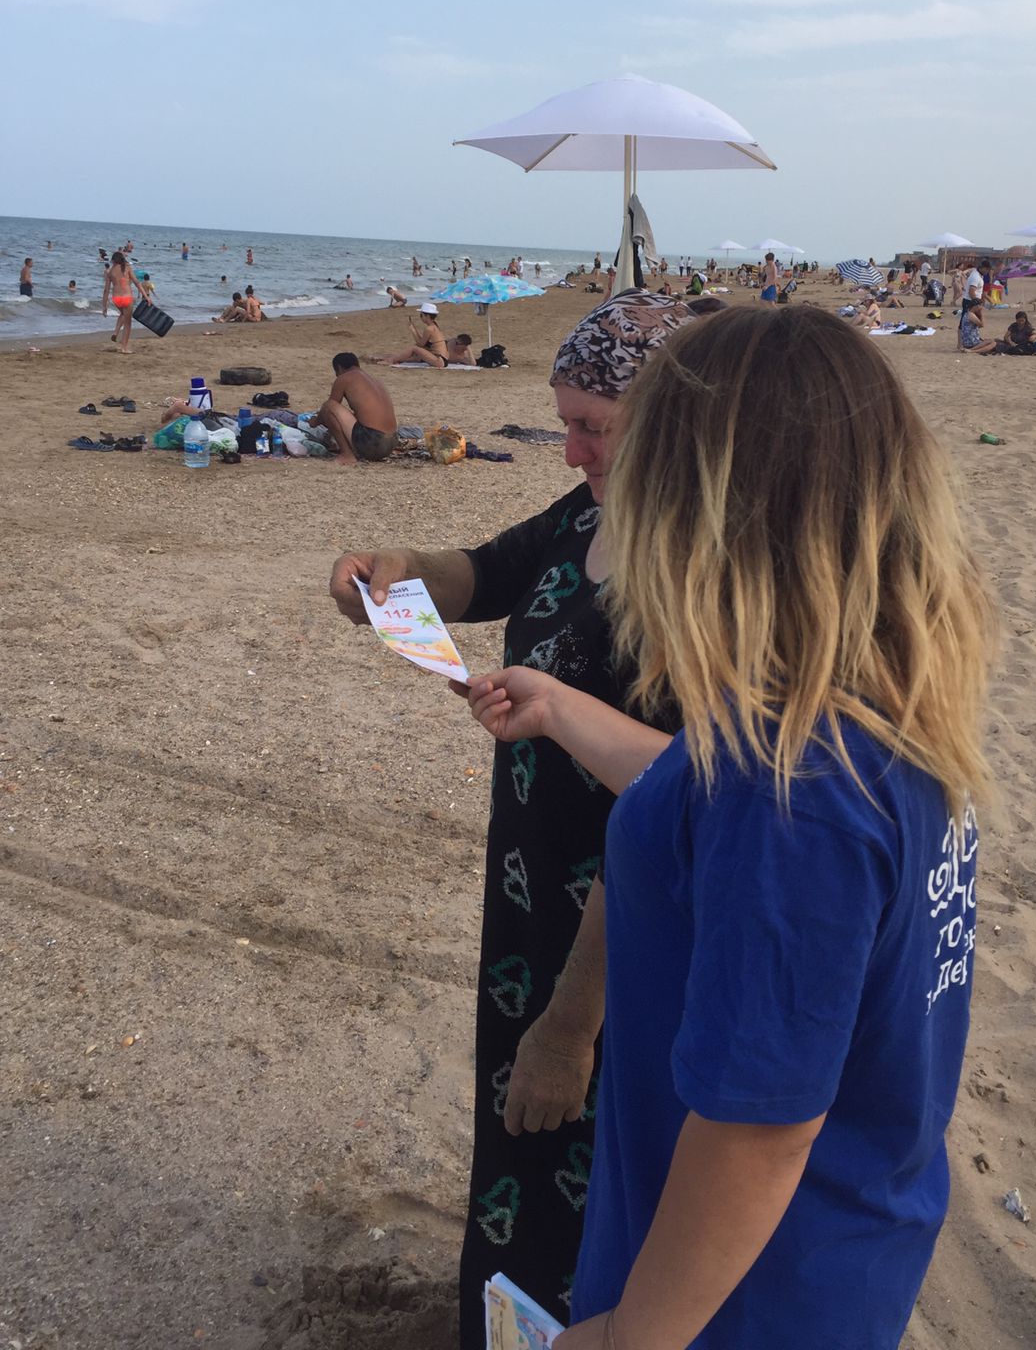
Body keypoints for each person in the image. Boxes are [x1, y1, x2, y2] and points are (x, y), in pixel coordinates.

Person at [459, 304, 993, 1350]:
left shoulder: (791, 797)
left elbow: (759, 1129)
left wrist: (629, 1336)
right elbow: (694, 787)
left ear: (706, 511)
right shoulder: (879, 714)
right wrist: (561, 710)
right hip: (846, 1247)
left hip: (735, 1301)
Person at [329, 294, 692, 1349]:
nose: (570, 448)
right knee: (521, 1148)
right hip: (531, 902)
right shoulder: (589, 511)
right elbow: (485, 570)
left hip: (621, 939)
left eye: (593, 427)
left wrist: (573, 1023)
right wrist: (393, 572)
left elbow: (677, 810)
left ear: (669, 420)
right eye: (564, 420)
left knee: (596, 1155)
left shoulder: (701, 574)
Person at [317, 353, 397, 464]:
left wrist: (314, 422)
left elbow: (329, 409)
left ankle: (347, 454)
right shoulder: (374, 380)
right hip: (391, 442)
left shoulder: (344, 378)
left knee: (329, 405)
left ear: (339, 368)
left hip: (373, 443)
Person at [102, 251, 149, 353]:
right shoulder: (127, 267)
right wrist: (146, 297)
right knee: (128, 324)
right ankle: (124, 348)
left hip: (116, 299)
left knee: (123, 314)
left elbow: (106, 290)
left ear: (113, 260)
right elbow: (137, 283)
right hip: (127, 298)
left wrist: (104, 307)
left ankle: (116, 332)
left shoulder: (110, 272)